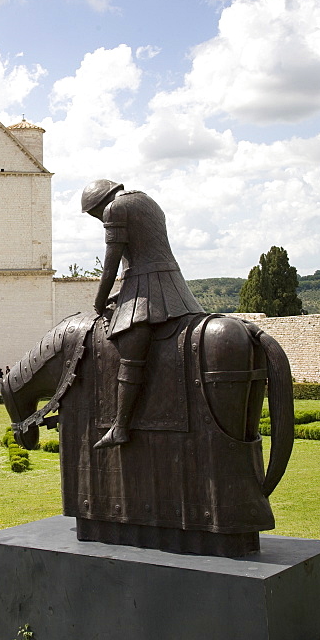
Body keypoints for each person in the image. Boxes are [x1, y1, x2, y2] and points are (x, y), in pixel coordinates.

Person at [82, 179, 203, 449]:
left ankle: (120, 427)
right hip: (169, 282)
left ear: (99, 204)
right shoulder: (146, 200)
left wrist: (100, 301)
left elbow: (111, 264)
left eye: (94, 214)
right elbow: (145, 254)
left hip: (150, 286)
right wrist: (121, 295)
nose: (98, 219)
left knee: (131, 351)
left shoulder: (115, 208)